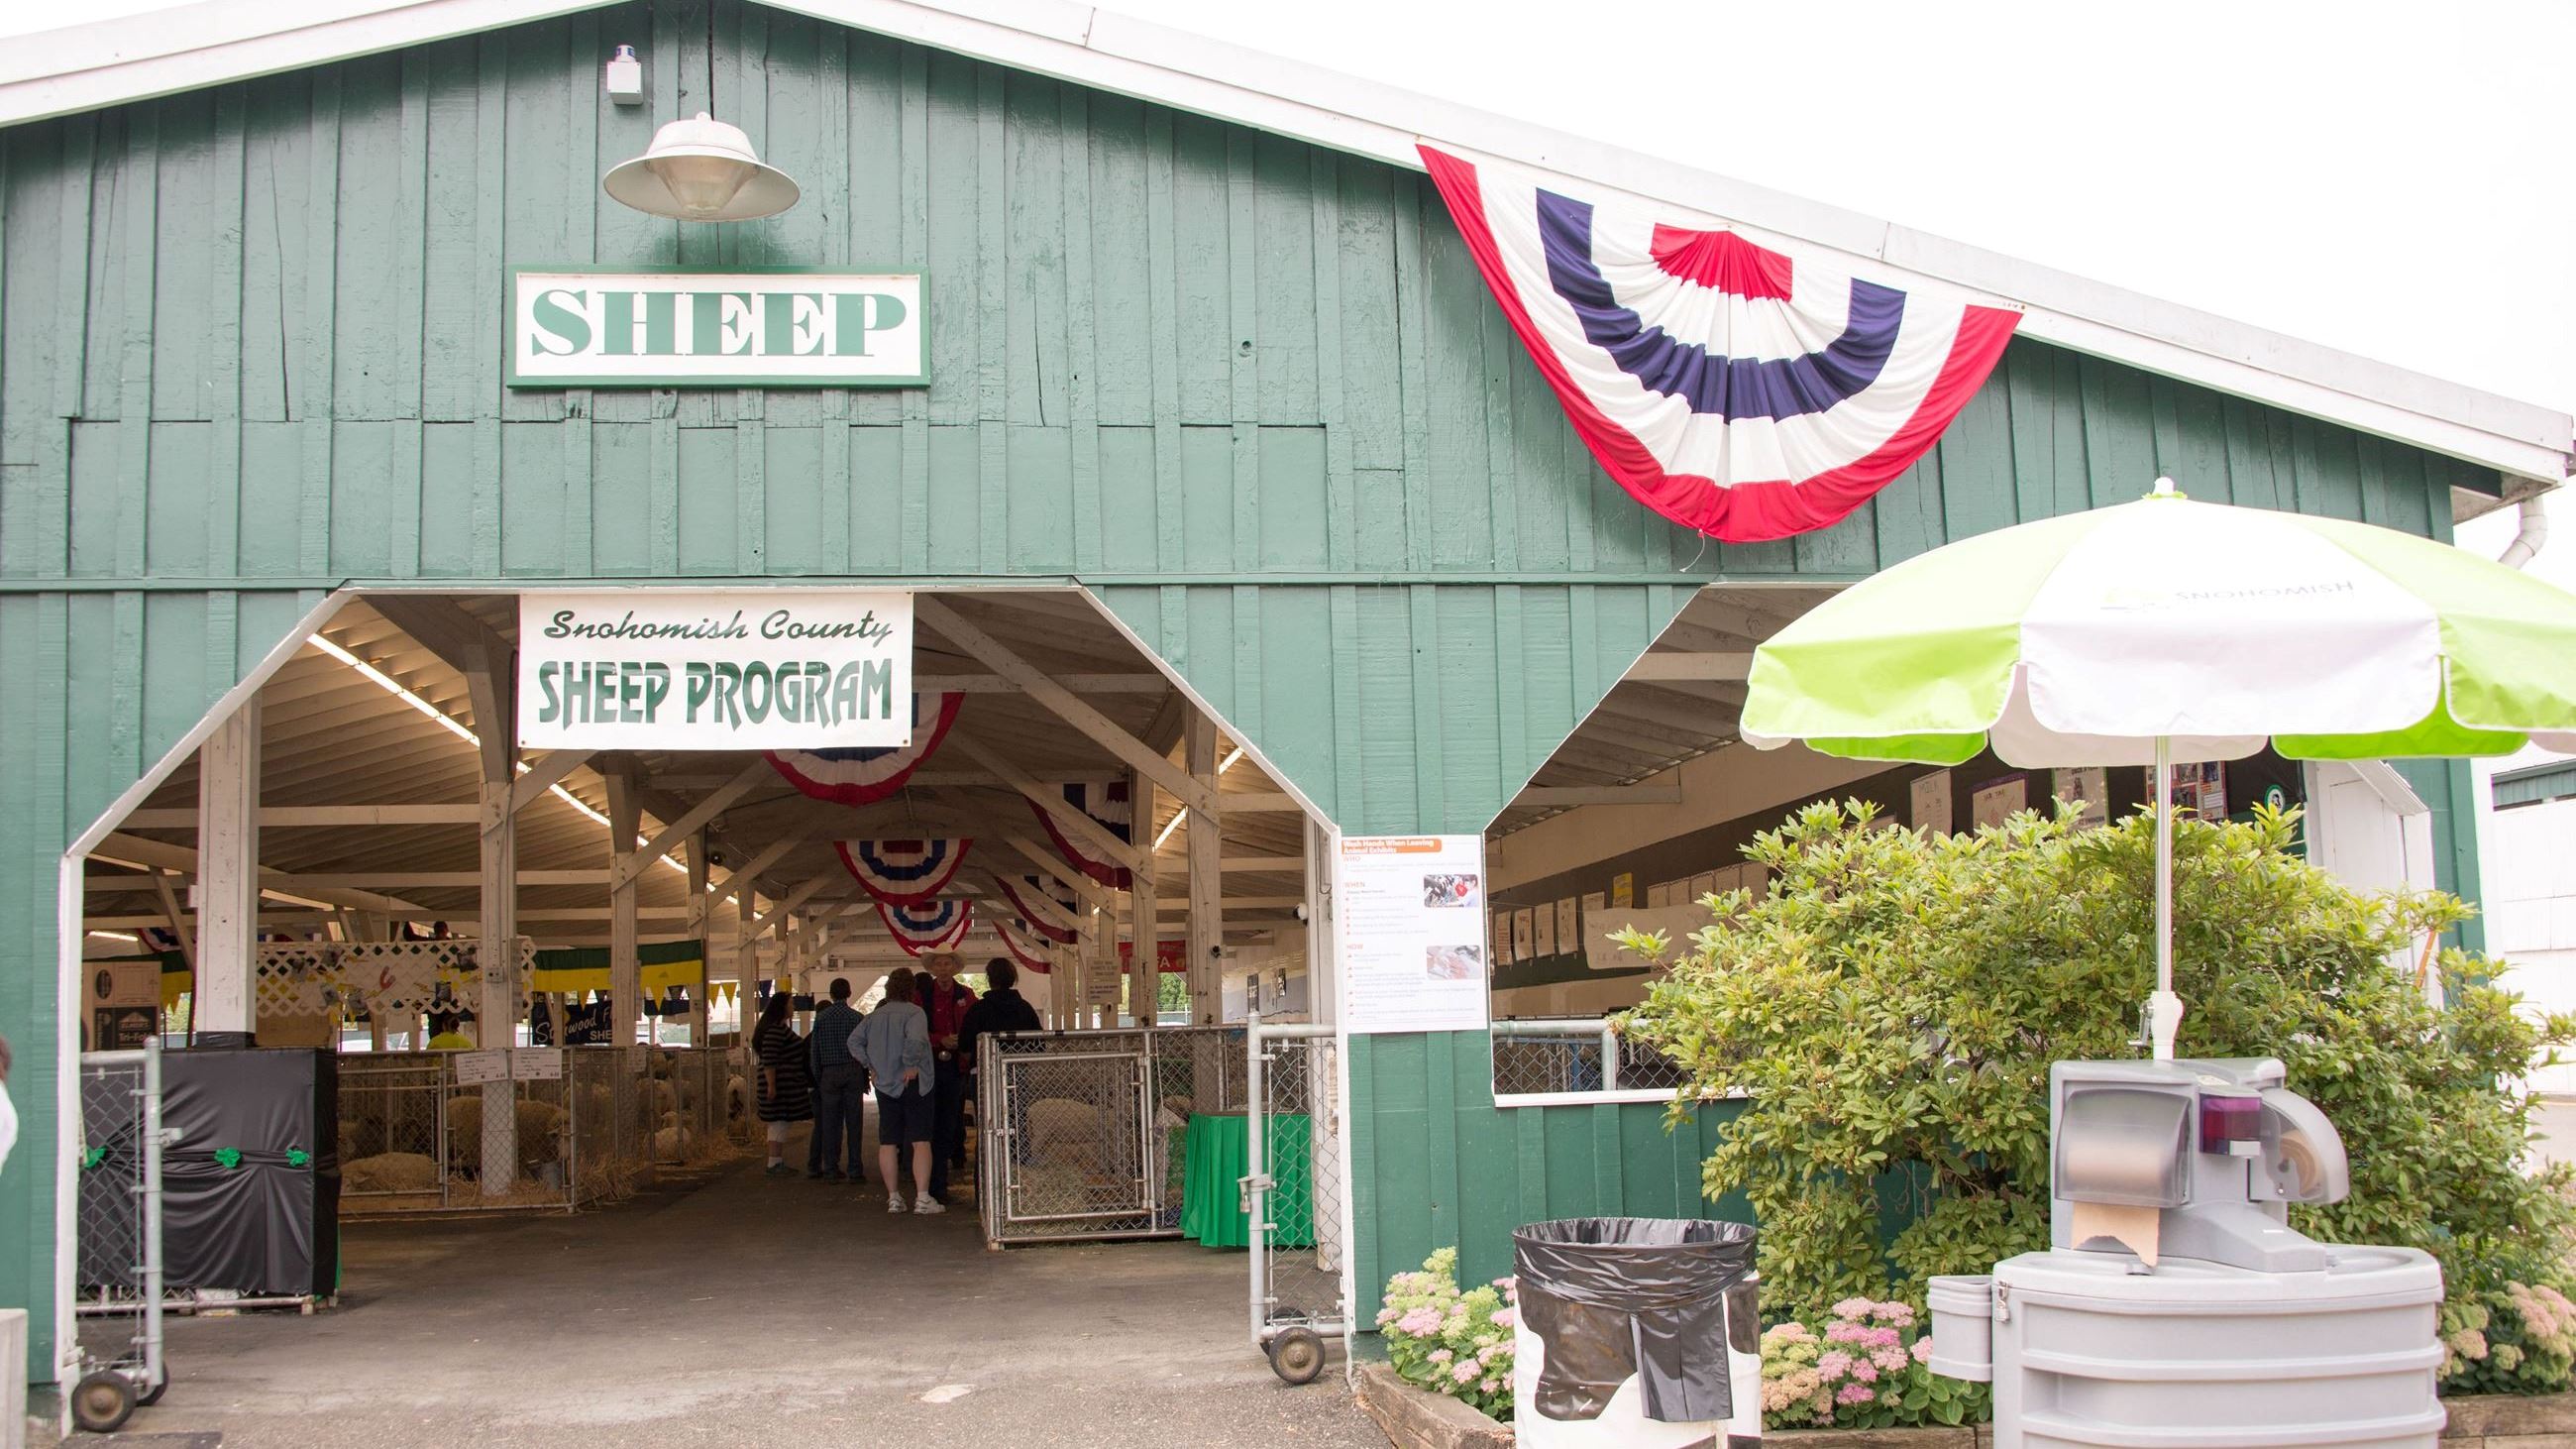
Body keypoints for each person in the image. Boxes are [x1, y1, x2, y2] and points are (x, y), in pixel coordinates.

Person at [857, 967, 941, 1214]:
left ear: (888, 989)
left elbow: (854, 1041)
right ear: (912, 989)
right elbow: (915, 1040)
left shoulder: (874, 1016)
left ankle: (893, 1197)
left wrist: (870, 1066)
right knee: (920, 1140)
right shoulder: (916, 1013)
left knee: (888, 1141)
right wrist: (911, 1064)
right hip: (914, 1082)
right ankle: (923, 1198)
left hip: (885, 1083)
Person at [918, 951, 978, 1201]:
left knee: (949, 1123)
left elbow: (975, 1026)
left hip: (955, 1066)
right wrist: (938, 1039)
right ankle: (932, 1183)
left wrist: (961, 1042)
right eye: (939, 964)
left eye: (947, 963)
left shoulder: (967, 995)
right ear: (932, 968)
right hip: (928, 1065)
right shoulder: (921, 997)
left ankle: (939, 1184)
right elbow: (915, 1030)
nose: (943, 968)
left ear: (954, 967)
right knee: (929, 1124)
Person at [805, 976, 868, 1183]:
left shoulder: (822, 1018)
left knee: (830, 1124)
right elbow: (864, 1048)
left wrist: (819, 1076)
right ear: (849, 993)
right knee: (854, 1123)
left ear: (831, 995)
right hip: (852, 1070)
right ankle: (855, 1169)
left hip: (829, 1073)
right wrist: (865, 1076)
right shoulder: (857, 1018)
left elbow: (815, 1051)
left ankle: (831, 1169)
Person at [750, 992, 815, 1176]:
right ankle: (774, 1163)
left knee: (779, 1123)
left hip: (783, 1084)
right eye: (791, 1003)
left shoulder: (777, 1028)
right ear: (782, 1007)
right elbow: (770, 1059)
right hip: (780, 1085)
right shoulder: (775, 1031)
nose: (793, 1007)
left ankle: (776, 1161)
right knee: (779, 1122)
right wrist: (772, 1085)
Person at [957, 956, 1043, 1064]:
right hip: (1018, 1069)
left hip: (985, 1068)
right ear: (1013, 978)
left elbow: (964, 1045)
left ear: (989, 979)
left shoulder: (978, 1009)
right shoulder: (1025, 1008)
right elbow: (1039, 1044)